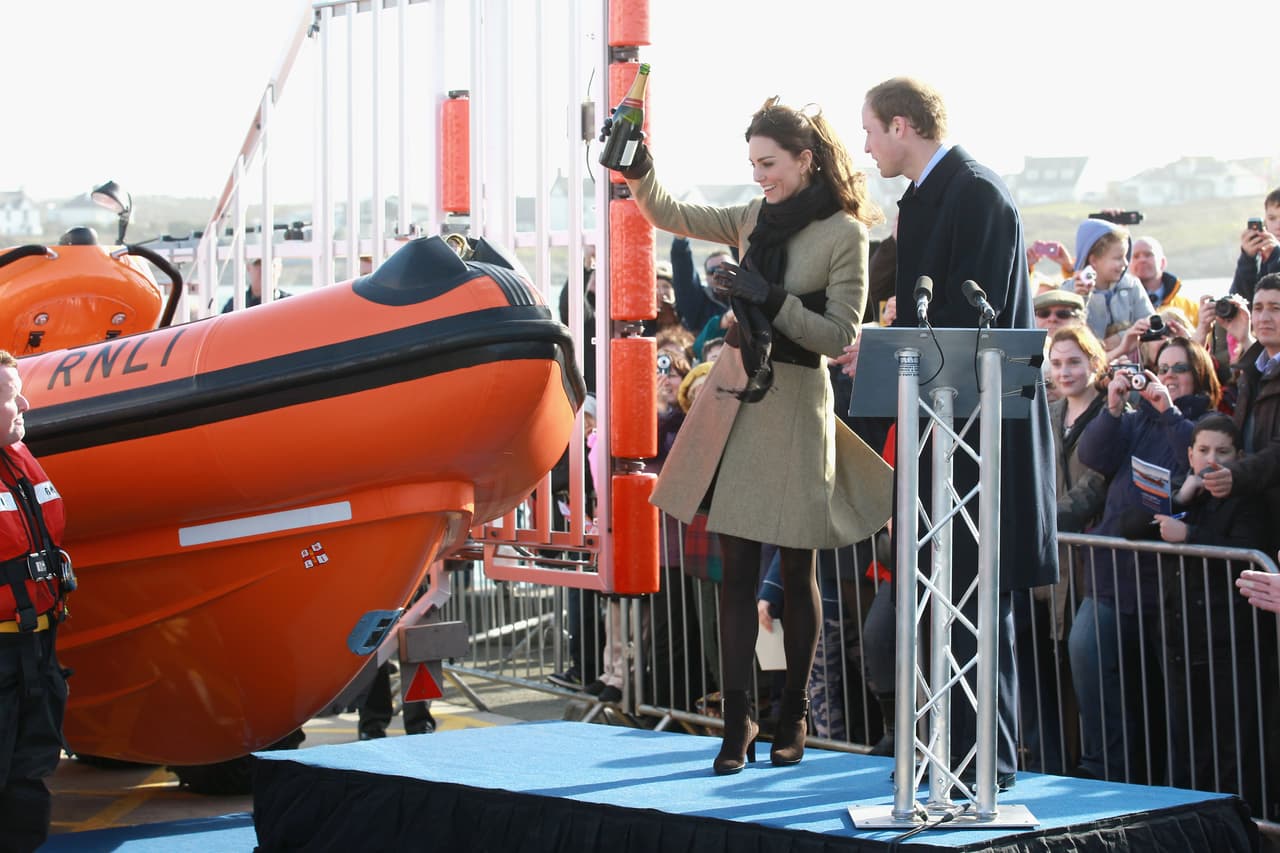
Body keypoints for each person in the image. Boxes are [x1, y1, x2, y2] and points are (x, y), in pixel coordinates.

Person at [602, 95, 893, 774]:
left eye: (768, 164)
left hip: (797, 405)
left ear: (805, 159)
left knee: (795, 570)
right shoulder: (751, 216)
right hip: (738, 399)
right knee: (734, 572)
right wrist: (638, 168)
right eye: (753, 164)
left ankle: (793, 714)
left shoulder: (844, 233)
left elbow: (839, 336)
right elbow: (670, 213)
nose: (759, 176)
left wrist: (768, 296)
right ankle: (738, 723)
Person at [857, 75, 1058, 790]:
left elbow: (977, 328)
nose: (867, 147)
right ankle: (943, 754)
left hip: (979, 447)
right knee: (937, 609)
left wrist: (895, 348)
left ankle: (983, 767)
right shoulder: (926, 200)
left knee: (977, 609)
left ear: (902, 125)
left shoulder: (975, 193)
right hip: (939, 442)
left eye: (871, 130)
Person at [1071, 335, 1219, 782]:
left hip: (1167, 585)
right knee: (1088, 655)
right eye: (1162, 368)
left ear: (1198, 375)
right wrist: (1114, 406)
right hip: (1112, 573)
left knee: (1166, 696)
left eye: (1179, 369)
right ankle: (1104, 767)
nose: (1168, 376)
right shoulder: (1135, 421)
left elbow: (1199, 463)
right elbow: (1092, 455)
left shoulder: (1204, 424)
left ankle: (1174, 785)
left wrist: (1169, 411)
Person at [1154, 414, 1265, 803]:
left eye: (1223, 452)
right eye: (1203, 450)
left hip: (1230, 641)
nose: (1211, 460)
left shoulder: (1249, 500)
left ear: (1239, 457)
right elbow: (1132, 526)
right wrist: (1181, 499)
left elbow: (1248, 550)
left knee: (1233, 746)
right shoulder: (1186, 493)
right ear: (1190, 454)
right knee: (1188, 744)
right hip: (1182, 639)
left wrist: (1191, 535)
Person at [1017, 325, 1110, 774]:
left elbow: (1096, 485)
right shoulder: (1046, 413)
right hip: (1045, 561)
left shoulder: (1112, 412)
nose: (1065, 371)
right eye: (1056, 363)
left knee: (1084, 670)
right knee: (1037, 669)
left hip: (1087, 563)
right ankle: (1046, 761)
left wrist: (1042, 521)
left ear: (1095, 362)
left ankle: (1094, 765)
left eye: (1074, 361)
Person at [0, 350, 72, 851]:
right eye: (11, 396)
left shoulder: (18, 460)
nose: (25, 403)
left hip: (36, 654)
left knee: (29, 783)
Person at [1206, 272, 1280, 553]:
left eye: (1275, 308)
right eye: (1258, 308)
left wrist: (1236, 475)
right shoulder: (1253, 369)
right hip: (1254, 512)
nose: (1264, 317)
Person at [1065, 220, 1155, 350]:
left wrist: (1121, 337)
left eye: (1126, 257)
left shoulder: (1131, 286)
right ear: (1094, 260)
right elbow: (1066, 334)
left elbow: (1151, 324)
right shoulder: (1069, 291)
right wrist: (1081, 299)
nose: (1125, 263)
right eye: (1118, 258)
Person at [1131, 236, 1199, 327]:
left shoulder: (1190, 308)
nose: (1142, 260)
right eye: (1136, 256)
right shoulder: (1120, 306)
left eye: (1148, 255)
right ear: (1128, 265)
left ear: (1162, 262)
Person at [1228, 188, 1280, 304]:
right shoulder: (1262, 257)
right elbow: (1239, 301)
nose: (1278, 225)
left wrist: (1276, 256)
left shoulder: (1274, 255)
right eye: (1272, 218)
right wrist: (1247, 259)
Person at [221, 256, 289, 313]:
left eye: (270, 264)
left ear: (279, 269)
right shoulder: (233, 305)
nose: (264, 269)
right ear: (248, 268)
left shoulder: (289, 304)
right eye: (258, 264)